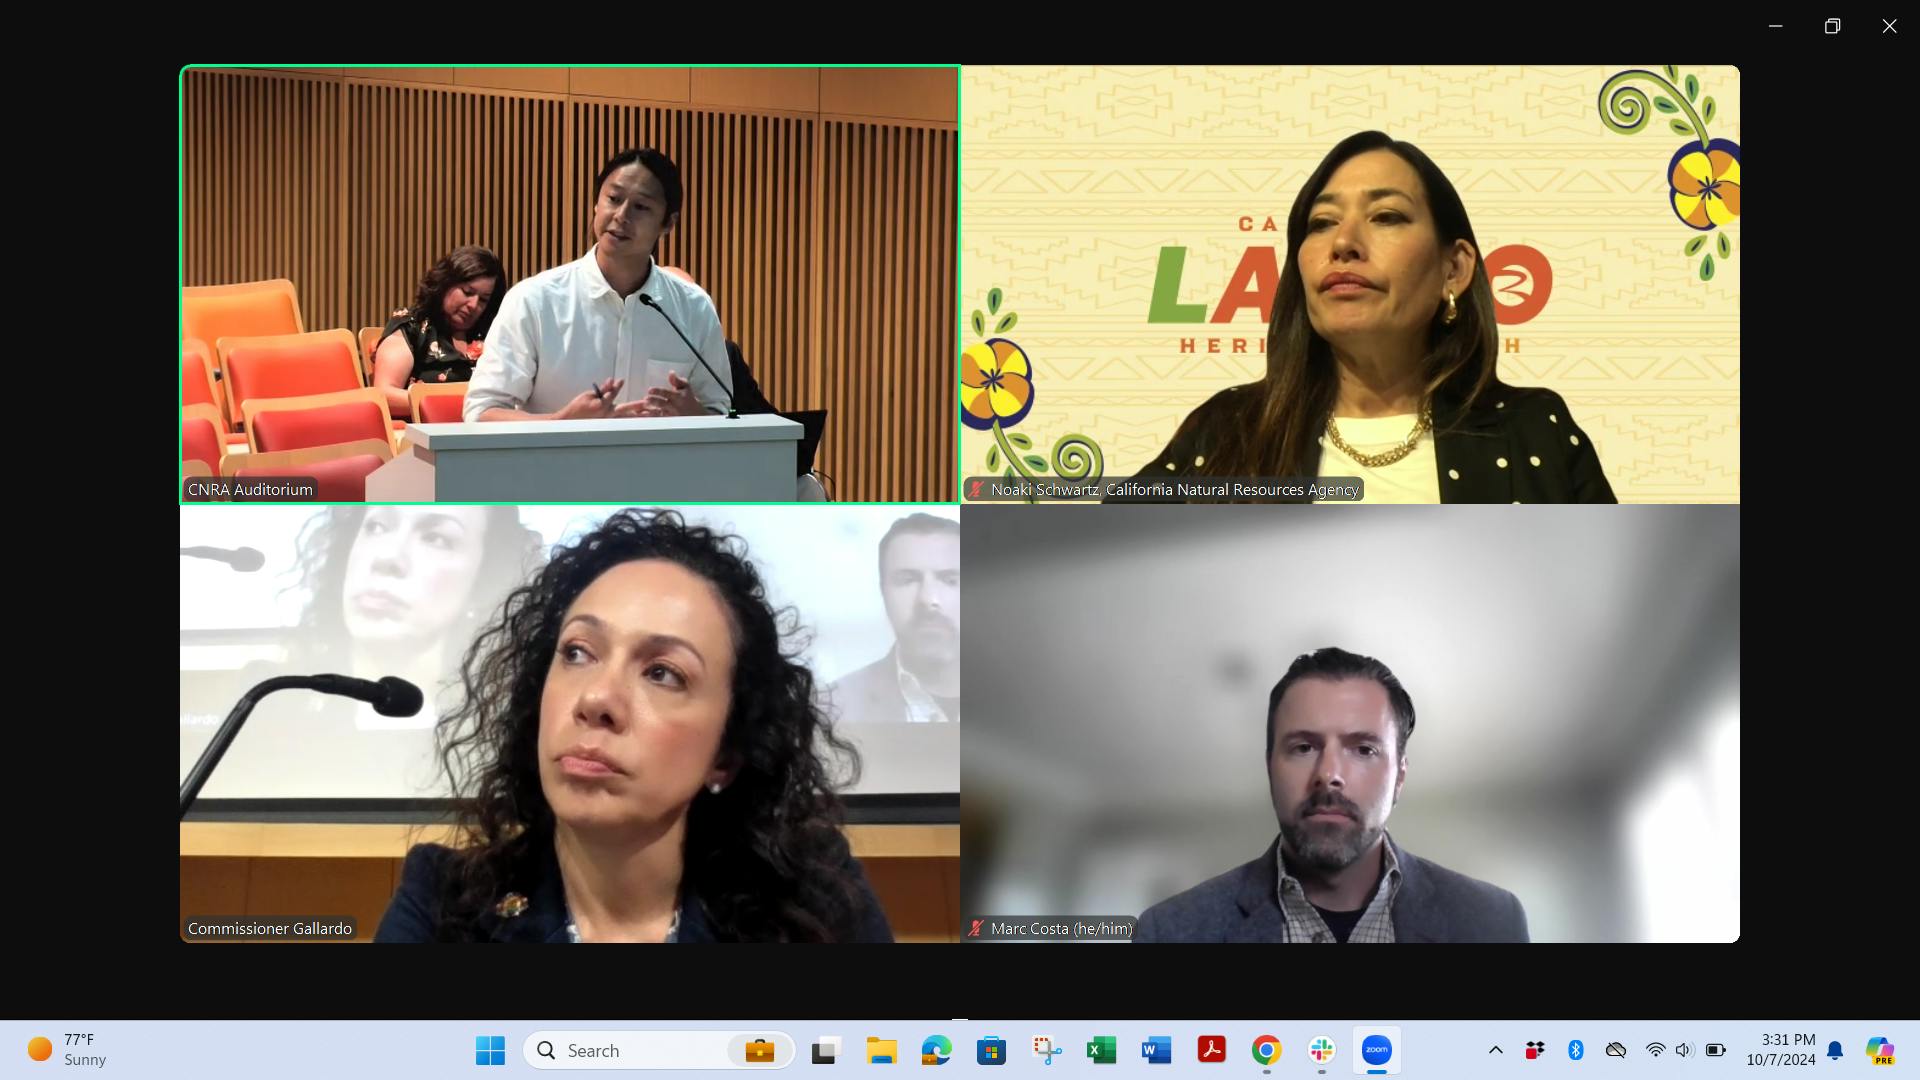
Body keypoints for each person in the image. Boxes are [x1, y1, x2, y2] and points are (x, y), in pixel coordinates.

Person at [375, 509, 892, 942]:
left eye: (662, 673)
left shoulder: (812, 906)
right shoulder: (444, 906)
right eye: (577, 652)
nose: (596, 699)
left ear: (727, 753)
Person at [1129, 131, 1615, 503]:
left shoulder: (1535, 430)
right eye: (1321, 223)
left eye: (1386, 216)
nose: (1342, 243)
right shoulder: (1227, 429)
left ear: (1455, 268)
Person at [1135, 647, 1529, 942]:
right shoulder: (1168, 931)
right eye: (1303, 747)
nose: (1329, 775)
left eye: (1363, 750)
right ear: (1270, 766)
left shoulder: (1492, 922)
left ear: (1400, 778)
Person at [463, 149, 735, 423]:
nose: (621, 215)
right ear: (596, 203)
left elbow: (724, 413)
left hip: (661, 466)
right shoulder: (534, 300)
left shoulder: (693, 309)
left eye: (641, 207)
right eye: (613, 199)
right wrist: (561, 423)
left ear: (668, 223)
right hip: (556, 465)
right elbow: (480, 414)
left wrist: (695, 415)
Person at [830, 514, 959, 724]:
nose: (928, 599)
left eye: (950, 580)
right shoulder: (832, 708)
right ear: (883, 592)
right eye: (907, 580)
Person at [371, 246, 506, 419]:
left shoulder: (490, 334)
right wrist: (457, 406)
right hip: (427, 436)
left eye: (483, 300)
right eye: (467, 292)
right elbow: (384, 396)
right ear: (445, 283)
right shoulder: (413, 327)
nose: (473, 305)